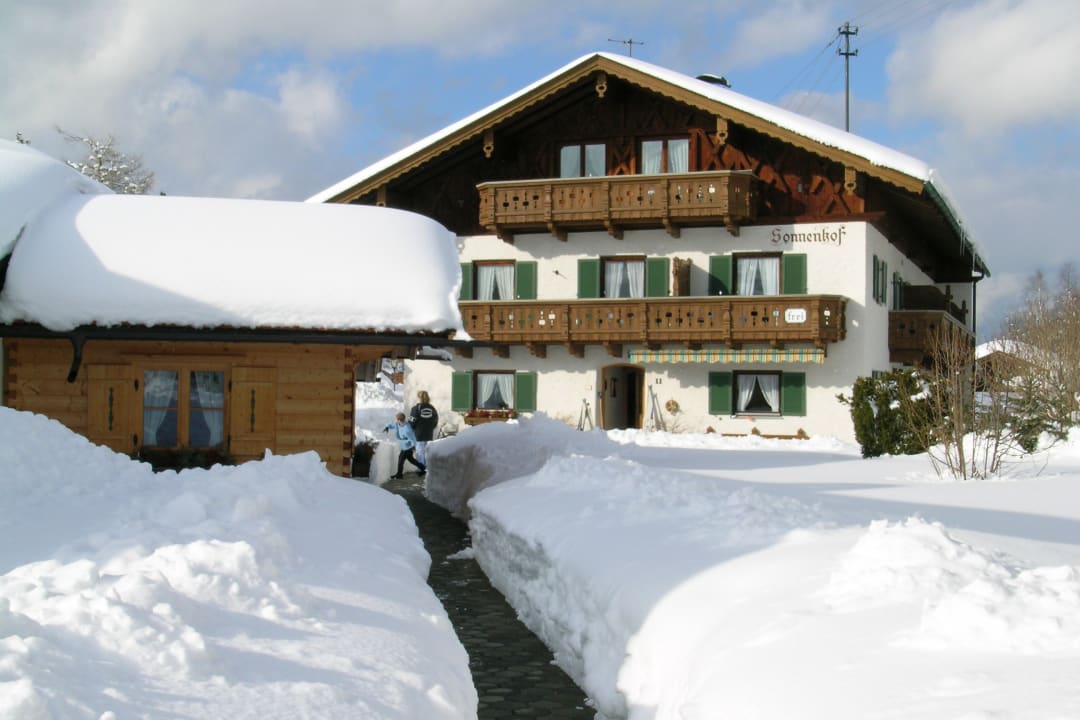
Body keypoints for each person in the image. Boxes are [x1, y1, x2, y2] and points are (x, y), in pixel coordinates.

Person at [383, 412, 426, 479]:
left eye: (396, 419)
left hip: (407, 447)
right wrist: (387, 427)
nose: (396, 420)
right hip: (404, 446)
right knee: (411, 460)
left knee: (400, 459)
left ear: (399, 420)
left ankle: (399, 475)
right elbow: (392, 424)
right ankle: (423, 468)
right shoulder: (397, 424)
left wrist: (414, 447)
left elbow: (413, 438)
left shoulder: (407, 429)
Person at [408, 390, 439, 466]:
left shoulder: (416, 408)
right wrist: (431, 427)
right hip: (429, 434)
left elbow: (412, 421)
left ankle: (421, 469)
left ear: (419, 398)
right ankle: (427, 468)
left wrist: (412, 429)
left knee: (420, 452)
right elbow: (436, 420)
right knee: (427, 452)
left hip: (419, 434)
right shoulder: (432, 408)